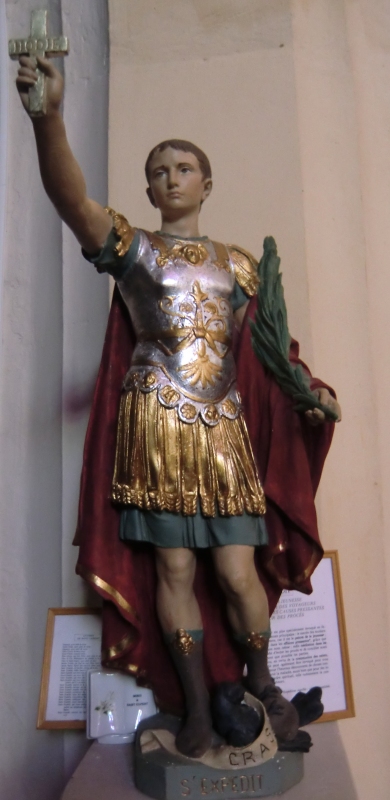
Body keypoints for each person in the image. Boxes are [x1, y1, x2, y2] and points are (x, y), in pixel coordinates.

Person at [16, 56, 341, 758]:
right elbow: (71, 200)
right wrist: (48, 121)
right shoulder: (133, 250)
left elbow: (271, 356)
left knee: (235, 571)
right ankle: (194, 706)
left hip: (223, 430)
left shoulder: (240, 264)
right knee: (173, 573)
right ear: (147, 187)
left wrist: (309, 395)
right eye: (158, 169)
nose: (170, 177)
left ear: (207, 182)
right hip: (158, 427)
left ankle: (262, 684)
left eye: (183, 167)